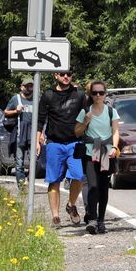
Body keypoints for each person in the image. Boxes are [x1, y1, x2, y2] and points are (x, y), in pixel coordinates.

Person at [36, 70, 88, 227]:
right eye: (63, 74)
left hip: (75, 143)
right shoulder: (48, 95)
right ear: (56, 76)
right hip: (54, 143)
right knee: (54, 181)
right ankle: (55, 216)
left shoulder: (78, 94)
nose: (66, 77)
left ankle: (71, 205)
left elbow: (87, 116)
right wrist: (38, 139)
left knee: (79, 176)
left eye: (69, 74)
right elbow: (40, 119)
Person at [75, 80, 120, 234]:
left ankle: (101, 220)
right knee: (92, 186)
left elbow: (115, 131)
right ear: (91, 95)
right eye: (95, 93)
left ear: (105, 94)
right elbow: (77, 132)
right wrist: (86, 121)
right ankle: (92, 219)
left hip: (106, 152)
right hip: (89, 152)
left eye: (101, 92)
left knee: (103, 187)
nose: (98, 95)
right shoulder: (85, 111)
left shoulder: (110, 111)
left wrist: (114, 147)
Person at [3, 78, 34, 189]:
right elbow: (6, 112)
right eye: (26, 86)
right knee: (19, 161)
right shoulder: (16, 99)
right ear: (21, 87)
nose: (28, 88)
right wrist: (16, 111)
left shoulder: (37, 99)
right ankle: (21, 184)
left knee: (33, 160)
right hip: (20, 133)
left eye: (30, 86)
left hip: (33, 134)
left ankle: (30, 183)